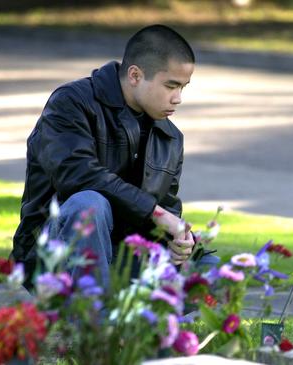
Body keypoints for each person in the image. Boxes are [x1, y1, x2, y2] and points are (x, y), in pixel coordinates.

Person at [11, 24, 210, 291]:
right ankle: (96, 322)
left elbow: (166, 214)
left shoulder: (170, 137)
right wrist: (156, 212)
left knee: (211, 268)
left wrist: (177, 244)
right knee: (89, 204)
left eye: (183, 87)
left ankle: (136, 321)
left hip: (121, 257)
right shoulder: (72, 103)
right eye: (171, 86)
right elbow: (78, 175)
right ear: (135, 75)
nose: (178, 98)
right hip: (53, 255)